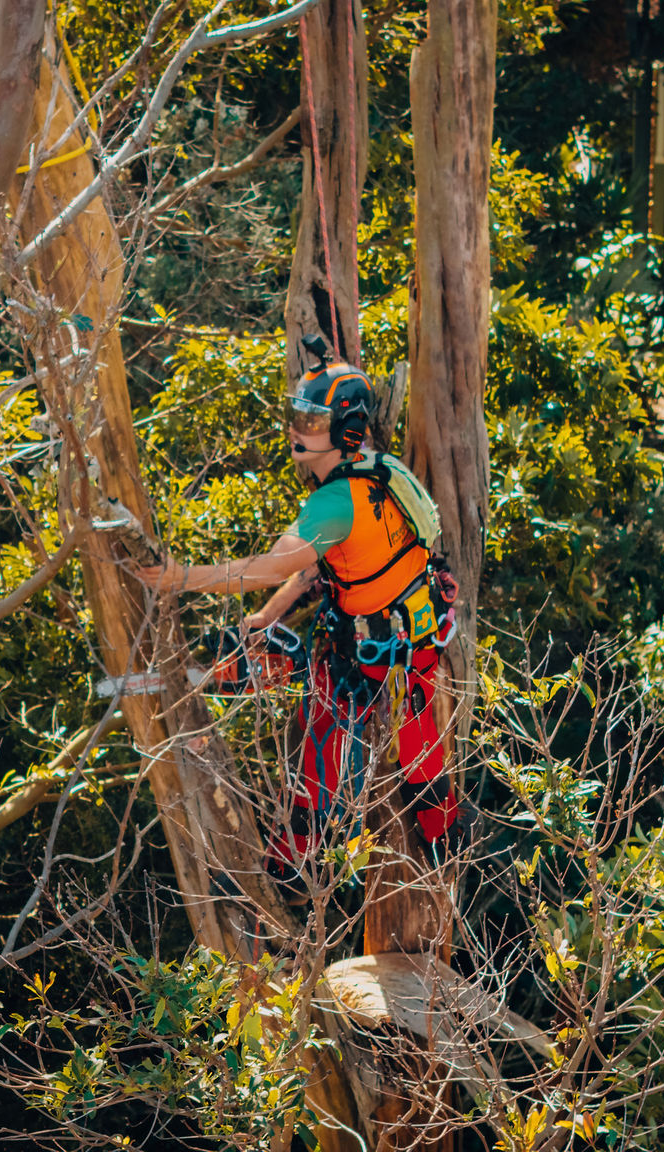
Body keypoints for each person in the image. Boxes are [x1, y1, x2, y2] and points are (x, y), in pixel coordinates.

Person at [135, 335, 460, 902]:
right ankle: (441, 838)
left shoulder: (332, 504)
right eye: (296, 415)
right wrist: (268, 616)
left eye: (310, 420)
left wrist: (179, 577)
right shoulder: (380, 472)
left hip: (384, 641)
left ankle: (309, 858)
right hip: (415, 626)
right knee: (416, 742)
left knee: (334, 743)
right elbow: (318, 568)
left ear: (343, 430)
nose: (296, 429)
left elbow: (270, 565)